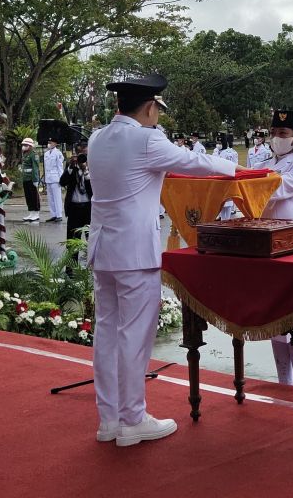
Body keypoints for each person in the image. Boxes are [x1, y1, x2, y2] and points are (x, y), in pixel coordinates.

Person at [88, 73, 235, 447]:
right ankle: (133, 419)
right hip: (135, 253)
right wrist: (238, 170)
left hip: (104, 250)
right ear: (150, 107)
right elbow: (193, 163)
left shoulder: (97, 138)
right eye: (157, 111)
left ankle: (109, 420)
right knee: (134, 337)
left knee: (106, 335)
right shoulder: (147, 138)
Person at [260, 109, 293, 387]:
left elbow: (281, 187)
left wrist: (257, 180)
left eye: (283, 133)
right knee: (274, 317)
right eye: (274, 132)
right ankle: (283, 378)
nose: (277, 138)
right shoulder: (266, 163)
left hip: (290, 241)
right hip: (266, 241)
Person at [59, 142, 92, 240]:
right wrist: (70, 168)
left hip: (89, 208)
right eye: (80, 154)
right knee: (73, 242)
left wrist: (85, 171)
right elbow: (62, 182)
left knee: (90, 240)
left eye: (85, 154)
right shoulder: (71, 165)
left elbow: (95, 188)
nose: (83, 157)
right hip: (74, 208)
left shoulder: (92, 164)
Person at [215, 133, 239, 220]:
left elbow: (234, 167)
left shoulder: (229, 153)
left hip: (227, 180)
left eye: (220, 143)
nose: (218, 145)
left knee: (227, 202)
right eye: (217, 142)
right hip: (218, 181)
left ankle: (227, 219)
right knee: (220, 202)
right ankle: (222, 218)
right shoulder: (216, 152)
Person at [43, 139, 65, 223]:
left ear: (55, 143)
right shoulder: (46, 154)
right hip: (48, 178)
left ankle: (59, 215)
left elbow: (60, 166)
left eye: (50, 142)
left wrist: (62, 178)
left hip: (56, 178)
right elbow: (45, 168)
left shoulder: (58, 153)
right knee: (50, 198)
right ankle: (53, 215)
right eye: (48, 142)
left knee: (57, 197)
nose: (49, 144)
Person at [20, 138, 41, 222]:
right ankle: (31, 212)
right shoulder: (25, 154)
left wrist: (35, 180)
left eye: (25, 145)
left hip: (32, 178)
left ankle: (36, 213)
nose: (23, 147)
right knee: (28, 196)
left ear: (30, 146)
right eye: (23, 145)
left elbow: (35, 168)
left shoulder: (34, 155)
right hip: (26, 178)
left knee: (34, 196)